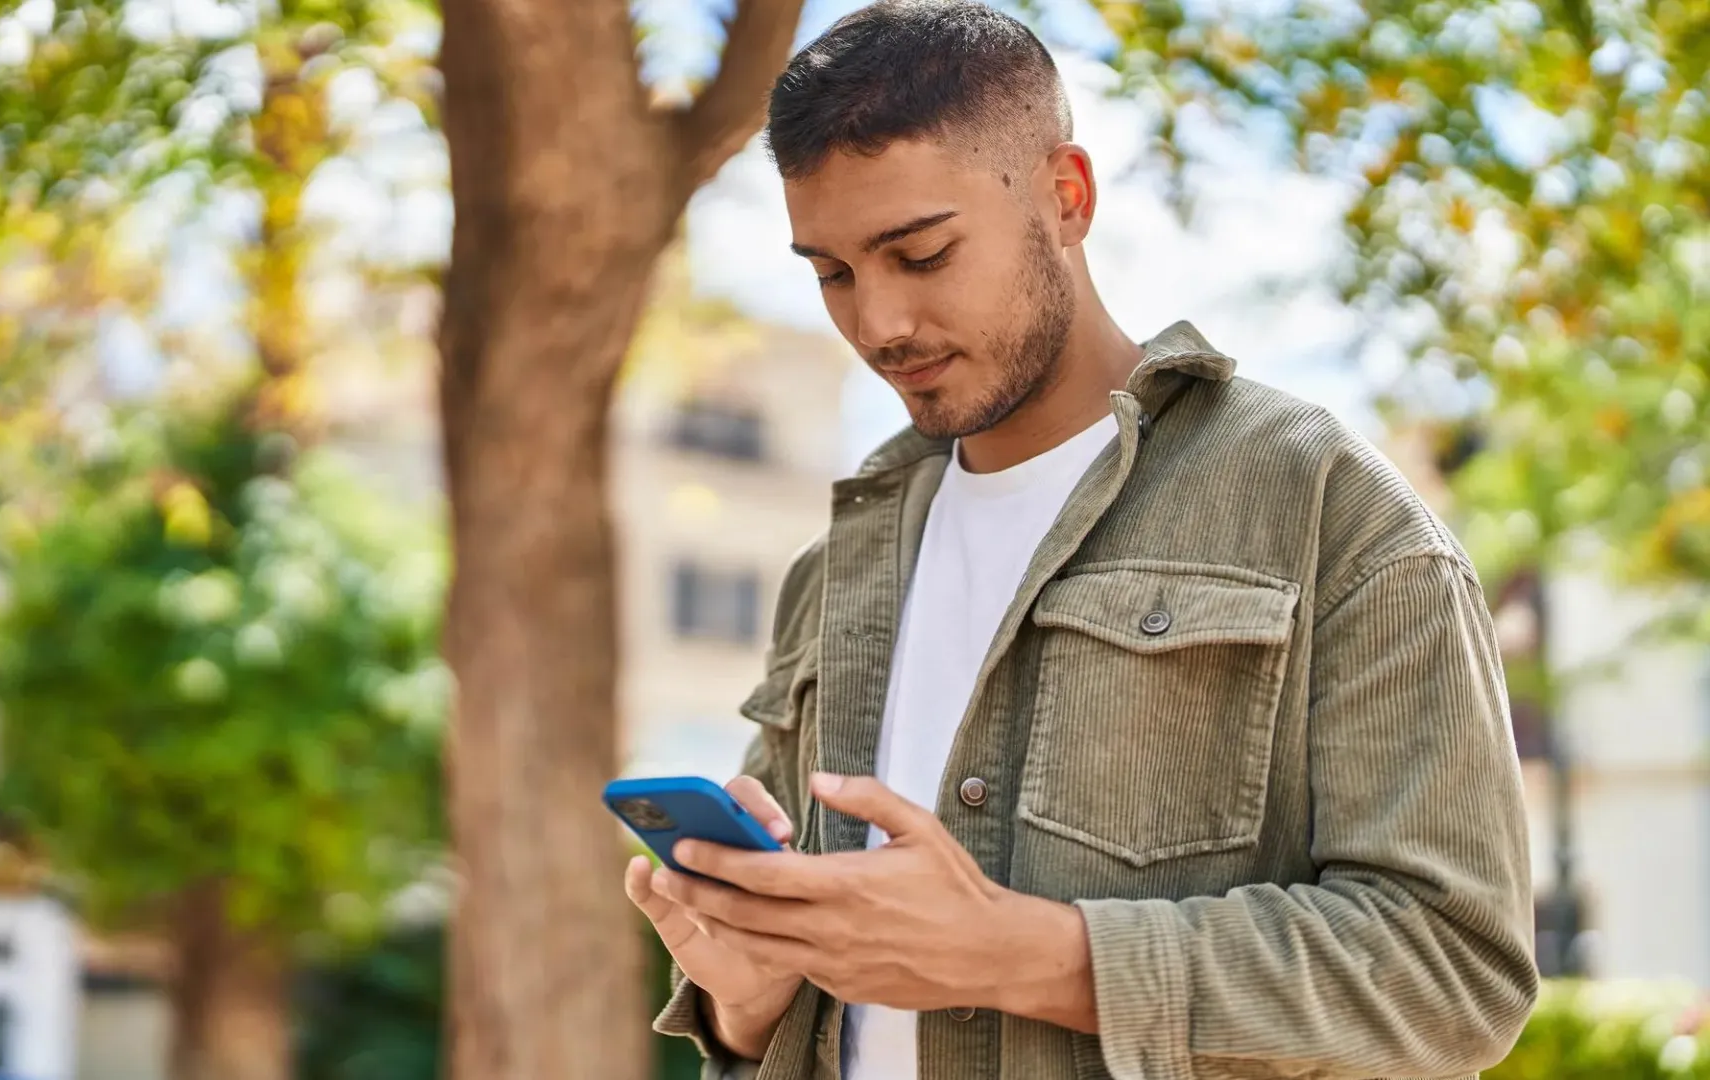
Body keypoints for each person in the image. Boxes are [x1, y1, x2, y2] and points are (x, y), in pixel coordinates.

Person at [621, 2, 1540, 1078]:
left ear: (1066, 197)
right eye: (832, 273)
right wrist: (751, 997)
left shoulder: (1321, 503)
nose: (878, 324)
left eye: (921, 254)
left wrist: (1027, 956)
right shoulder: (838, 567)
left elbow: (1455, 974)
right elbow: (815, 1025)